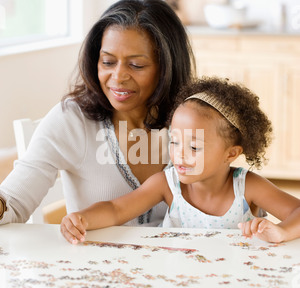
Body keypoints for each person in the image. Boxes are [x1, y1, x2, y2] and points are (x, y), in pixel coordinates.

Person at [0, 0, 195, 225]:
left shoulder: (193, 119)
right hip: (91, 259)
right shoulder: (72, 120)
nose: (118, 76)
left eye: (136, 65)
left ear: (167, 67)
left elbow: (225, 196)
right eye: (108, 62)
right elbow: (14, 202)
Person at [61, 76, 300, 245]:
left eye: (194, 146)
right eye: (174, 142)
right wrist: (83, 218)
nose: (179, 155)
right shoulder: (167, 183)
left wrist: (281, 232)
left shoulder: (247, 187)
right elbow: (116, 209)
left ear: (231, 153)